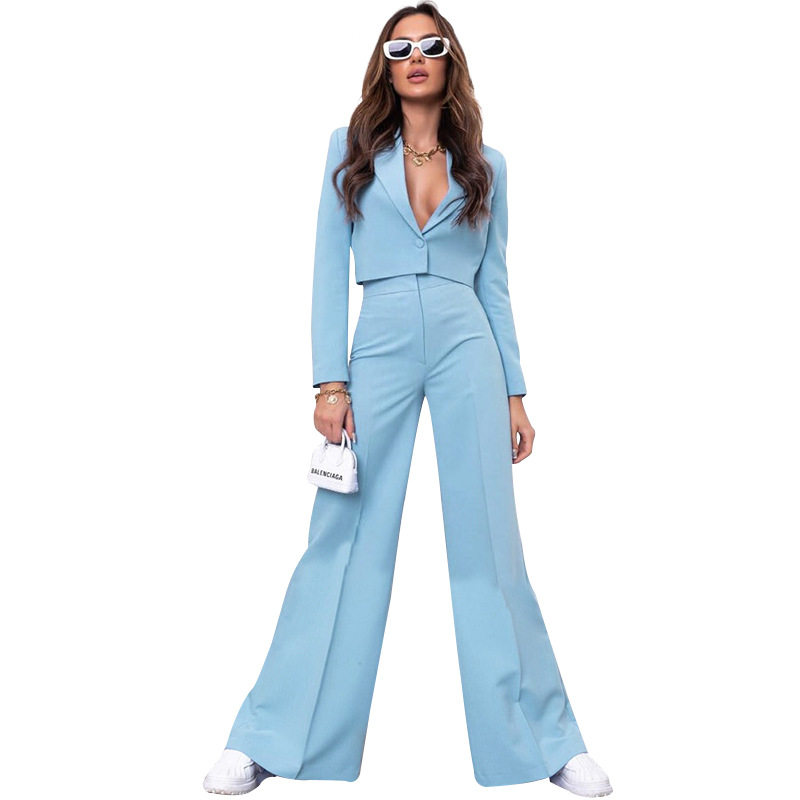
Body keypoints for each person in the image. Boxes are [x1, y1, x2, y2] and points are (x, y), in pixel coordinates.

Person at [203, 3, 612, 796]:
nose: (416, 55)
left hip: (467, 342)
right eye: (400, 47)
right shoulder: (350, 149)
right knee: (342, 537)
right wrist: (329, 378)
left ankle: (545, 743)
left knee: (491, 545)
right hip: (380, 338)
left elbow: (495, 284)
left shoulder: (487, 165)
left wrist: (515, 392)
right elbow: (327, 266)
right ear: (385, 65)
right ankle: (270, 737)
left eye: (431, 43)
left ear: (450, 59)